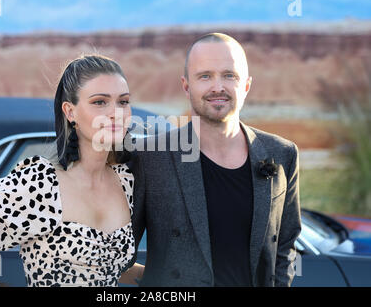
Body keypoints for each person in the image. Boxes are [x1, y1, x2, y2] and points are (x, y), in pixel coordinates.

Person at [0, 54, 144, 287]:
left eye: (123, 101)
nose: (115, 112)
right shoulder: (41, 183)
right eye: (100, 102)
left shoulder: (124, 180)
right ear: (70, 112)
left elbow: (101, 266)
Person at [127, 33, 301, 287]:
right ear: (187, 86)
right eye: (205, 76)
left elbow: (286, 245)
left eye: (229, 75)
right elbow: (117, 253)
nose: (217, 87)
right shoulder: (150, 157)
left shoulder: (282, 153)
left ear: (246, 85)